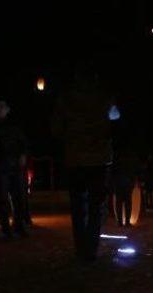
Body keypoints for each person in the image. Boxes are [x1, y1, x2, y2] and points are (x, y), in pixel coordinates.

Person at [52, 62, 113, 261]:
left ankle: (81, 249)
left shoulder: (67, 99)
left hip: (75, 159)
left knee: (78, 206)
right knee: (96, 206)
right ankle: (91, 248)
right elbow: (116, 121)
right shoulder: (104, 98)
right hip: (98, 159)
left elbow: (56, 129)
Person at [0, 98, 29, 238]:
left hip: (14, 165)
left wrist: (23, 155)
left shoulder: (15, 125)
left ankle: (18, 226)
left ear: (7, 109)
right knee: (3, 199)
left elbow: (23, 142)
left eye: (1, 106)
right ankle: (6, 229)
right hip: (1, 167)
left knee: (19, 197)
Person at [112, 145, 140, 227]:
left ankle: (120, 221)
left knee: (119, 202)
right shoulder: (131, 160)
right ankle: (126, 221)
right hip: (127, 183)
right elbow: (135, 170)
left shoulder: (117, 160)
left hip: (119, 183)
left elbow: (114, 171)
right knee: (127, 202)